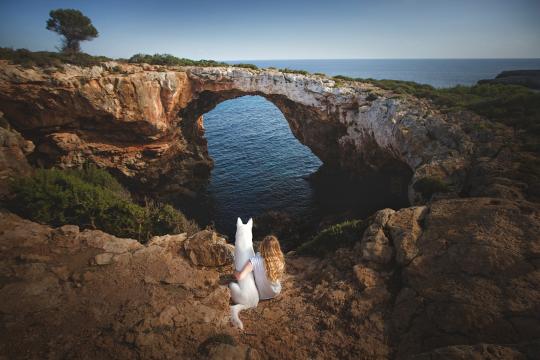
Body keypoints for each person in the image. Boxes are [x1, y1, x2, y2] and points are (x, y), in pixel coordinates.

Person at [234, 235, 285, 300]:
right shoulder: (278, 259)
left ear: (262, 246)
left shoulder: (254, 260)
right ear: (277, 247)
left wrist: (234, 271)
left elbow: (240, 277)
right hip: (276, 291)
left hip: (261, 295)